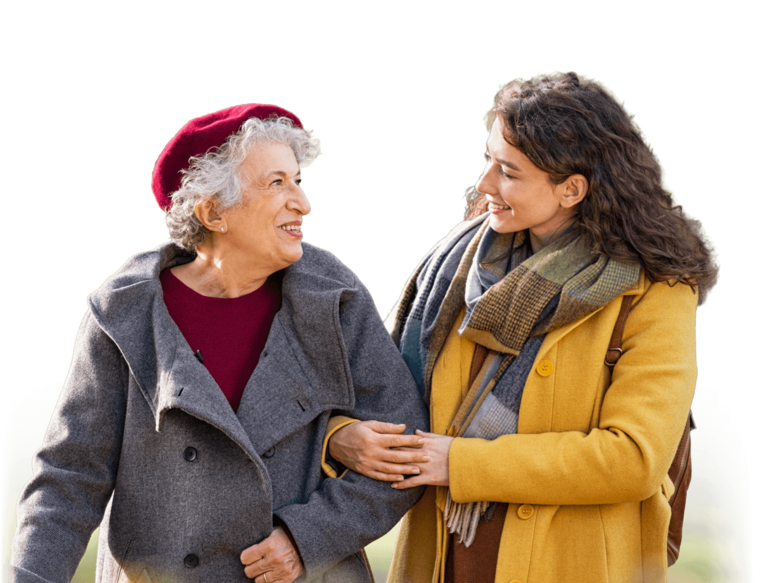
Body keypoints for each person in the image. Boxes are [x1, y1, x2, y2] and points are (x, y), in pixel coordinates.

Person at [4, 103, 429, 583]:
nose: (303, 203)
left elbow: (403, 448)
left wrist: (306, 537)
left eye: (297, 181)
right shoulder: (125, 314)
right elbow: (70, 477)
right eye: (277, 184)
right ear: (214, 211)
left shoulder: (334, 296)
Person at [327, 72, 720, 583]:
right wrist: (342, 435)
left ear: (571, 188)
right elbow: (367, 385)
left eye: (509, 172)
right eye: (488, 160)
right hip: (440, 557)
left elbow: (633, 458)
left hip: (573, 564)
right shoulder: (455, 265)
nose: (484, 184)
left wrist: (463, 465)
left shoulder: (655, 291)